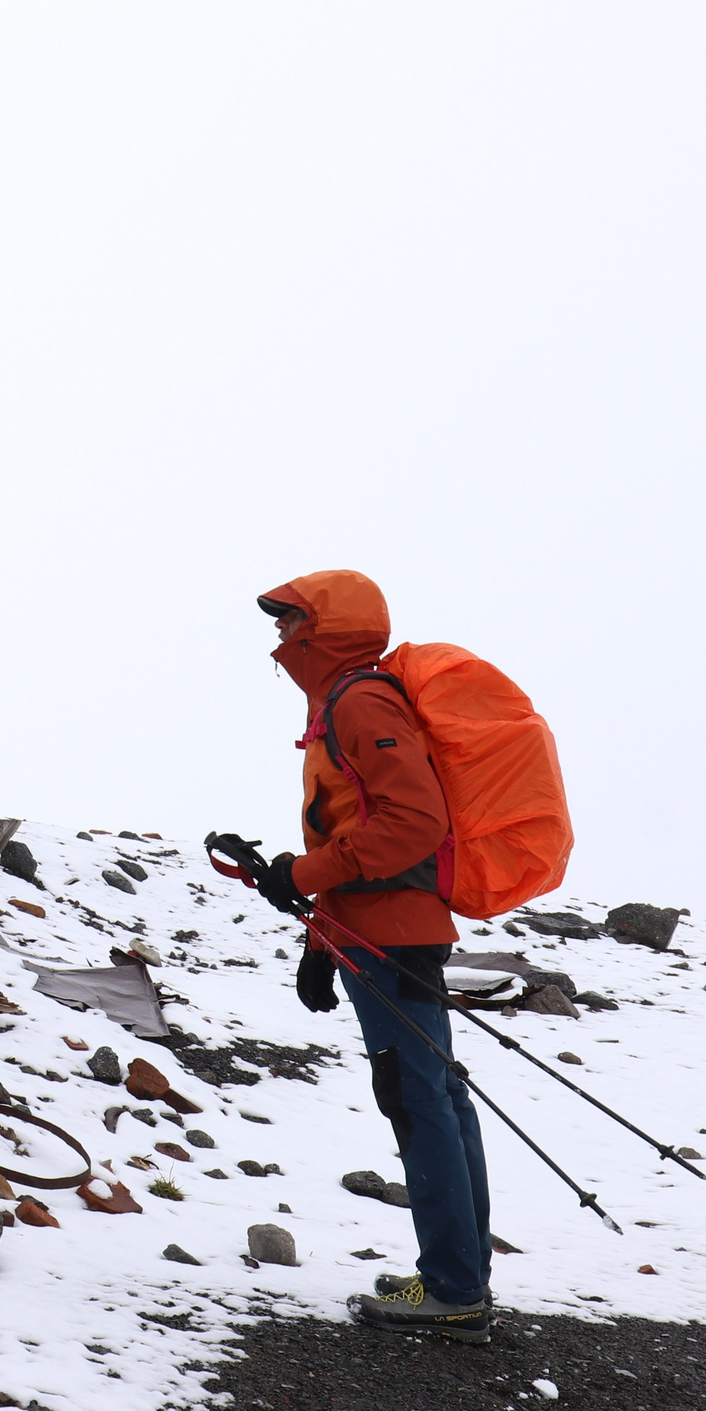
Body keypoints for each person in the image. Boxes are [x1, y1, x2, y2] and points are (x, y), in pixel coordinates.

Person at [251, 569, 494, 1344]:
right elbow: (362, 831)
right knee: (436, 1093)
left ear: (324, 628)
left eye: (290, 623)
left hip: (394, 934)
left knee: (417, 1095)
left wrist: (301, 875)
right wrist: (321, 934)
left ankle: (456, 1288)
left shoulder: (360, 701)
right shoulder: (347, 702)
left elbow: (410, 823)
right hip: (381, 929)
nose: (279, 639)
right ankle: (459, 1274)